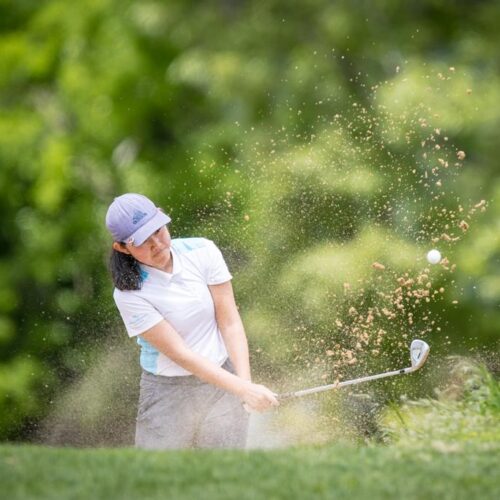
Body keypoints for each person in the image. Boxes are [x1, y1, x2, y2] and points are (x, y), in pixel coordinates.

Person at [105, 193, 278, 449]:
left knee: (223, 475)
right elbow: (182, 354)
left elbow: (229, 322)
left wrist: (245, 383)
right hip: (167, 392)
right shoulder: (128, 293)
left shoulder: (202, 251)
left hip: (223, 379)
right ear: (122, 248)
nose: (157, 244)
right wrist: (242, 389)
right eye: (143, 241)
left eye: (158, 231)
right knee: (159, 480)